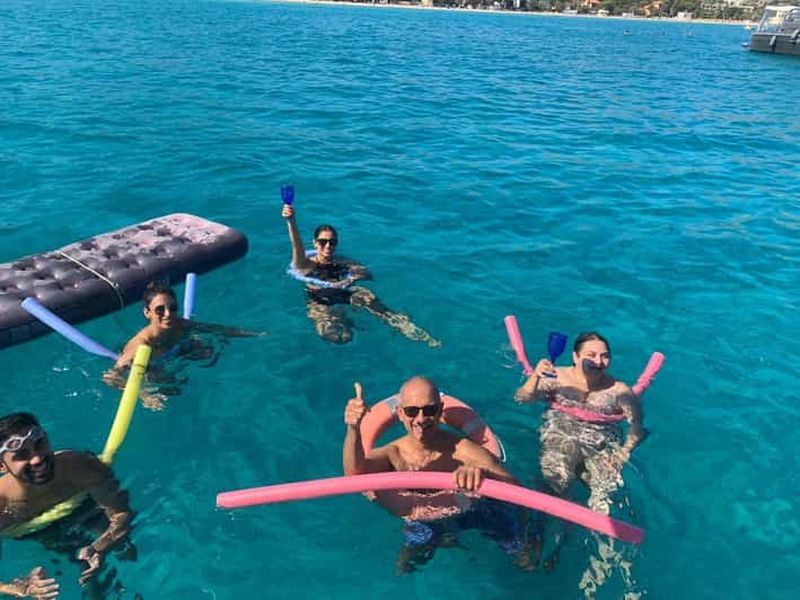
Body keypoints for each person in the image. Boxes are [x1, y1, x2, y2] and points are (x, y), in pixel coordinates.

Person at [343, 376, 531, 573]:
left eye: (429, 410)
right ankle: (443, 540)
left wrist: (481, 474)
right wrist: (353, 429)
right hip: (421, 522)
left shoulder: (463, 450)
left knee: (526, 562)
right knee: (404, 568)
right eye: (411, 411)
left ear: (440, 411)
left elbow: (516, 490)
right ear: (399, 413)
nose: (421, 419)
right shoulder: (393, 454)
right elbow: (355, 475)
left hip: (474, 513)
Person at [514, 332, 644, 594]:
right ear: (575, 357)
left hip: (601, 446)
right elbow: (522, 398)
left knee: (605, 497)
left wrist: (623, 453)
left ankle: (602, 566)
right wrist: (536, 376)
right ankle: (549, 541)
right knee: (556, 485)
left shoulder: (620, 391)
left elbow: (637, 429)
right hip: (561, 438)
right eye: (591, 355)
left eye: (605, 355)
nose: (599, 361)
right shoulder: (556, 377)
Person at [0, 413, 133, 598]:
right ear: (2, 465)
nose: (37, 459)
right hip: (37, 533)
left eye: (39, 444)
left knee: (127, 554)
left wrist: (102, 546)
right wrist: (21, 587)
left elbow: (121, 513)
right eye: (22, 454)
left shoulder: (79, 466)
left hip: (86, 510)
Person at [282, 202, 440, 347]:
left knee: (374, 302)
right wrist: (291, 221)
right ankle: (342, 320)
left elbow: (366, 274)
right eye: (323, 241)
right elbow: (296, 245)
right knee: (341, 337)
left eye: (332, 242)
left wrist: (351, 279)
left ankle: (415, 332)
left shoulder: (342, 261)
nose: (328, 245)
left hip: (344, 292)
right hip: (319, 299)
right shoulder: (306, 264)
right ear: (315, 243)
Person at [102, 281, 266, 410]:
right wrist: (143, 395)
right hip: (151, 366)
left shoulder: (180, 325)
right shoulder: (140, 346)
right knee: (168, 386)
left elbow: (216, 329)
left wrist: (254, 334)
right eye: (160, 310)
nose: (168, 314)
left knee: (207, 351)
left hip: (175, 352)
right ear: (147, 312)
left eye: (172, 308)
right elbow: (110, 377)